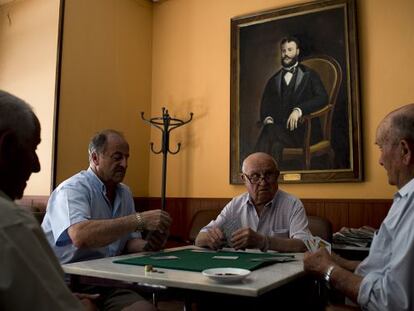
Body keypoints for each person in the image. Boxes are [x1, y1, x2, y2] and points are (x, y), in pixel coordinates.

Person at [42, 129, 172, 311]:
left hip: (108, 281)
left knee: (146, 309)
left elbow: (129, 242)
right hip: (65, 282)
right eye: (117, 157)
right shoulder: (72, 189)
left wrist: (149, 245)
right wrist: (139, 220)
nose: (124, 164)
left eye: (127, 158)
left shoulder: (125, 193)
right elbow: (80, 236)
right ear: (95, 158)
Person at [304, 103, 414, 310]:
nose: (380, 160)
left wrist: (327, 269)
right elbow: (385, 269)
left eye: (381, 148)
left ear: (405, 150)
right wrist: (339, 262)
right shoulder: (404, 198)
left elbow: (392, 302)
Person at [0, 90, 97, 310]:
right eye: (33, 148)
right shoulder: (11, 223)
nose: (37, 165)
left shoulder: (124, 192)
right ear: (5, 147)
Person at [195, 152, 309, 252]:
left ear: (277, 176)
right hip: (240, 269)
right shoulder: (236, 205)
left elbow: (304, 244)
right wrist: (210, 239)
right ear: (244, 179)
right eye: (255, 176)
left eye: (268, 175)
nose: (263, 183)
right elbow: (199, 238)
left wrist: (263, 241)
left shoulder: (292, 204)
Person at [255, 36, 328, 169]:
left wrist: (299, 110)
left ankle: (252, 168)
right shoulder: (274, 80)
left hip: (306, 132)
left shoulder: (310, 75)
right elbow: (266, 105)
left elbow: (323, 98)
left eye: (290, 50)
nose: (286, 54)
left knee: (269, 132)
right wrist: (268, 118)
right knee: (276, 145)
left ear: (297, 51)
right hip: (282, 133)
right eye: (283, 51)